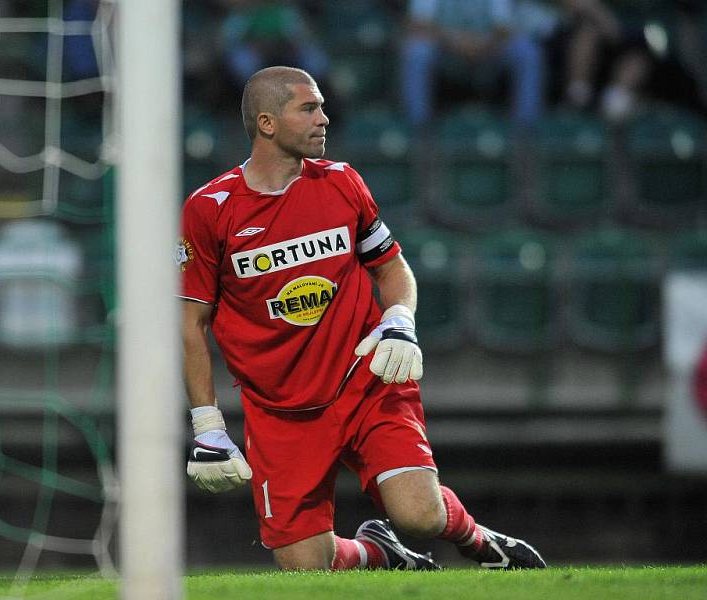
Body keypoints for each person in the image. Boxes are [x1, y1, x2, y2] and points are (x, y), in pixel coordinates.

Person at [178, 66, 547, 571]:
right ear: (266, 123)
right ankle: (381, 553)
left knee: (418, 514)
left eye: (322, 107)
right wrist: (206, 423)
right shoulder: (209, 209)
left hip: (365, 380)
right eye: (308, 108)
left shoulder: (342, 183)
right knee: (307, 566)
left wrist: (399, 319)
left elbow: (393, 269)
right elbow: (191, 323)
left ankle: (481, 543)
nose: (324, 119)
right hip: (279, 409)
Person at [399, 0, 546, 129]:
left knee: (527, 51)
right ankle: (419, 128)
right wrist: (455, 41)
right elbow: (418, 22)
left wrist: (481, 45)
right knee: (417, 52)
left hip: (488, 51)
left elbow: (504, 28)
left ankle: (525, 129)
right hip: (445, 52)